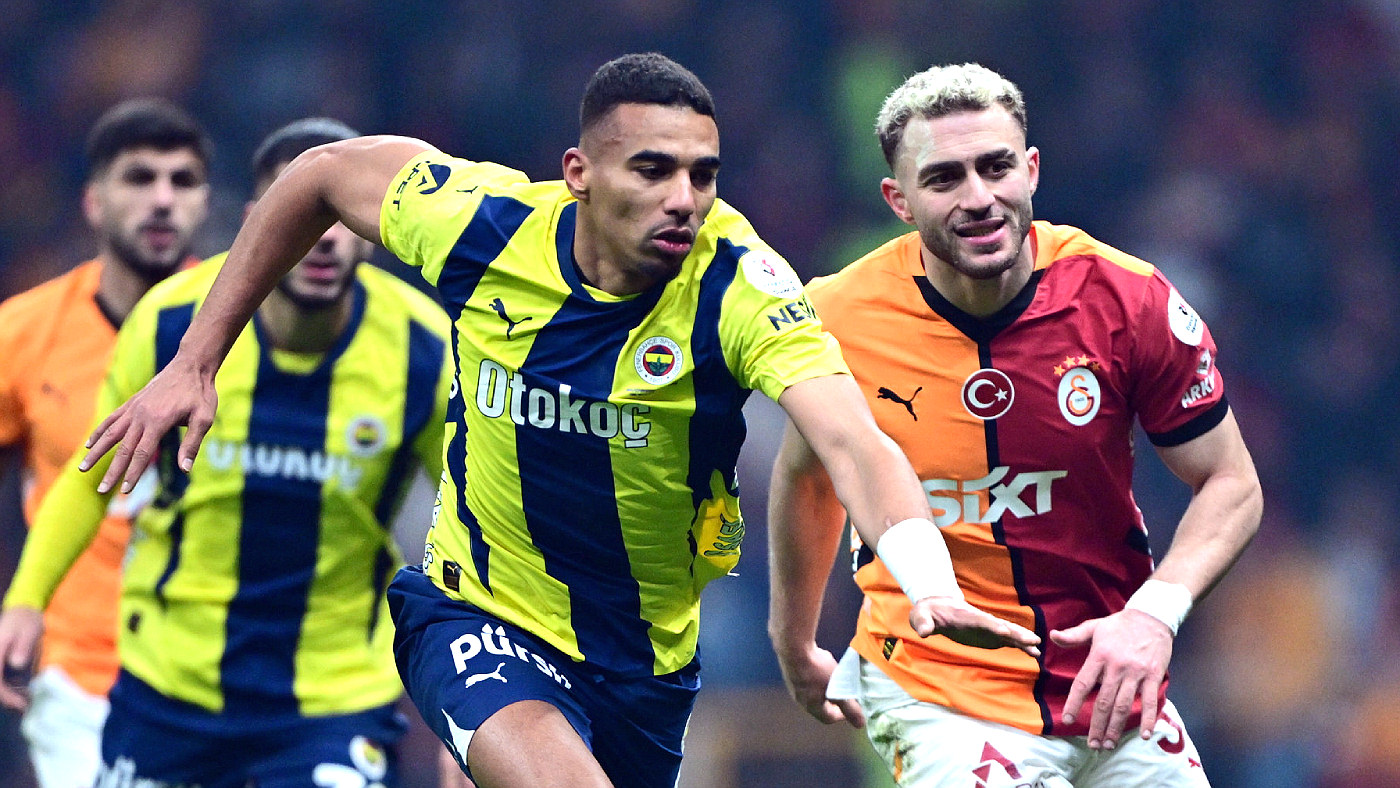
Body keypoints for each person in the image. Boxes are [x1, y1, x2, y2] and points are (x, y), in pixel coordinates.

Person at [72, 53, 1040, 788]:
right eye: (651, 170)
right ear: (579, 171)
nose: (683, 199)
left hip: (644, 664)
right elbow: (318, 174)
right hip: (474, 609)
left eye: (702, 174)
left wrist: (925, 578)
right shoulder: (481, 224)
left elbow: (851, 442)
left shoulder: (739, 285)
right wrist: (194, 362)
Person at [767, 62, 1263, 787]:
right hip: (938, 690)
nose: (978, 198)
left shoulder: (1127, 300)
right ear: (899, 200)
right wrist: (792, 639)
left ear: (1030, 170)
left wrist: (1153, 617)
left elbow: (1231, 482)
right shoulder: (837, 315)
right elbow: (809, 479)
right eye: (944, 179)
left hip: (1108, 679)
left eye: (995, 167)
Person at [0, 117, 453, 788]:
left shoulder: (424, 348)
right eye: (305, 215)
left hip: (333, 700)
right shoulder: (170, 321)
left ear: (374, 231)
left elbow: (474, 524)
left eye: (342, 217)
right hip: (170, 686)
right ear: (260, 223)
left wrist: (466, 713)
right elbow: (92, 474)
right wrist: (26, 600)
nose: (325, 237)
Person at [0, 98, 211, 788]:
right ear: (93, 202)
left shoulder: (249, 332)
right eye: (139, 178)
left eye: (182, 181)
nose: (162, 199)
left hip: (221, 672)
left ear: (206, 204)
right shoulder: (23, 333)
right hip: (78, 676)